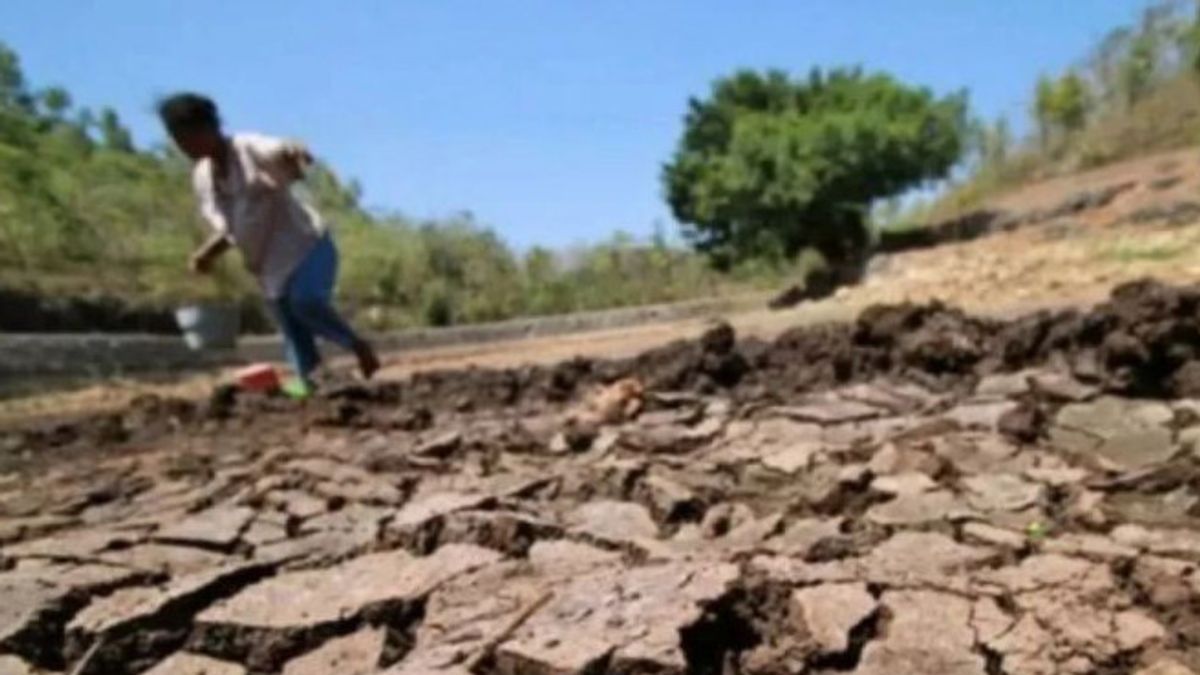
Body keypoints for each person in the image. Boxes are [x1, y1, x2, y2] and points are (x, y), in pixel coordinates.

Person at [158, 92, 379, 391]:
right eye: (177, 140)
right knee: (296, 339)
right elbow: (231, 228)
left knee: (306, 301)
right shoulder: (203, 179)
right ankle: (318, 393)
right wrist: (207, 254)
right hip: (269, 267)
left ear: (208, 128)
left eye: (187, 137)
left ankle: (357, 345)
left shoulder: (247, 148)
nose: (183, 146)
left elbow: (278, 149)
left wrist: (294, 152)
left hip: (307, 246)